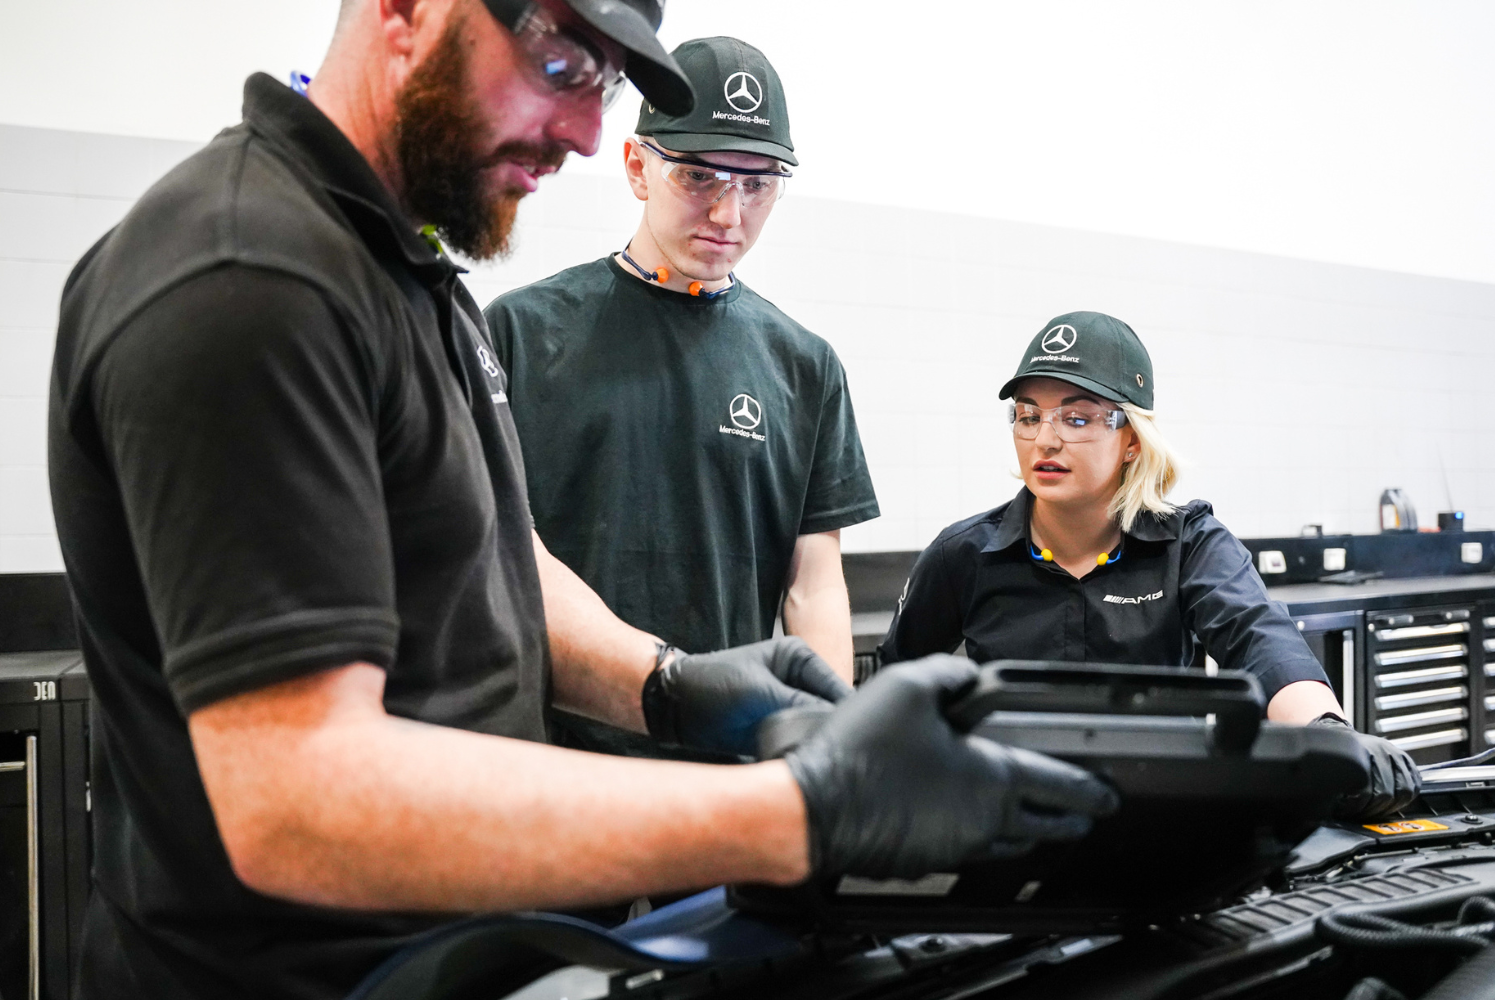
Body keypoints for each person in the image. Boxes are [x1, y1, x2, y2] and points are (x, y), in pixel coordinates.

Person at [46, 2, 1118, 997]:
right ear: (406, 11)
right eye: (559, 62)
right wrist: (795, 812)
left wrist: (666, 684)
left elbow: (497, 562)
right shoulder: (250, 278)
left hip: (466, 948)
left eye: (601, 86)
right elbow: (299, 803)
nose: (586, 135)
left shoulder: (408, 274)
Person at [484, 37, 877, 760]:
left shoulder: (805, 366)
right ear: (638, 167)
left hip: (729, 756)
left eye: (758, 184)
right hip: (555, 754)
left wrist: (835, 745)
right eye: (700, 176)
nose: (729, 213)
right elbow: (496, 554)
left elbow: (813, 588)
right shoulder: (519, 332)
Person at [878, 311, 1420, 819]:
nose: (1045, 438)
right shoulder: (964, 555)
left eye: (1077, 417)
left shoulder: (1188, 545)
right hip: (1006, 823)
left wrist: (1330, 737)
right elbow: (891, 690)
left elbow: (1261, 641)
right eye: (1028, 416)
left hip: (1160, 820)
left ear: (1132, 440)